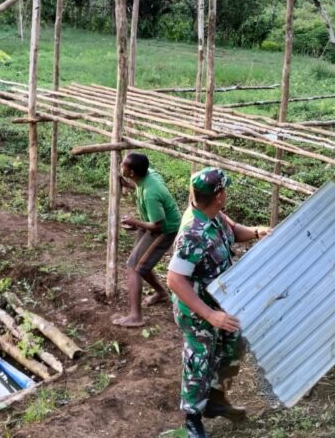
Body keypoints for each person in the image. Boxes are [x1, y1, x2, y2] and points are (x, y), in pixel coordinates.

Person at [166, 168, 270, 438]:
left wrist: (258, 232)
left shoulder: (214, 216)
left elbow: (234, 231)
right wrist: (210, 315)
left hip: (221, 302)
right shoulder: (193, 232)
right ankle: (192, 418)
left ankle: (216, 398)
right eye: (225, 190)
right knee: (199, 359)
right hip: (197, 310)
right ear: (219, 196)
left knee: (236, 344)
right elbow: (175, 279)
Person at [113, 152, 182, 328]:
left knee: (133, 267)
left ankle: (136, 316)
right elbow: (141, 185)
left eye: (124, 166)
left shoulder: (151, 193)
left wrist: (134, 222)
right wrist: (129, 184)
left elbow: (158, 226)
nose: (121, 166)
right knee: (141, 264)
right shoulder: (148, 175)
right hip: (152, 224)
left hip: (165, 230)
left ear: (133, 172)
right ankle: (161, 293)